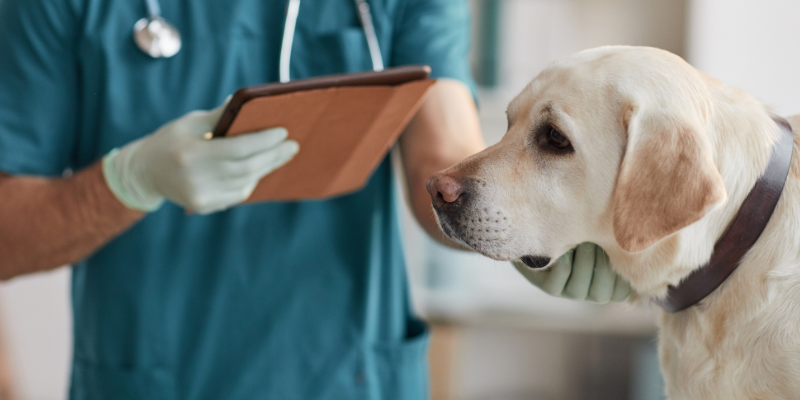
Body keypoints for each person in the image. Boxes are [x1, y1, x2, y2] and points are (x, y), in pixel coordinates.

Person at [0, 0, 627, 398]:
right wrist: (129, 179)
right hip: (157, 375)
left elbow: (442, 159)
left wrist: (518, 224)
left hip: (349, 376)